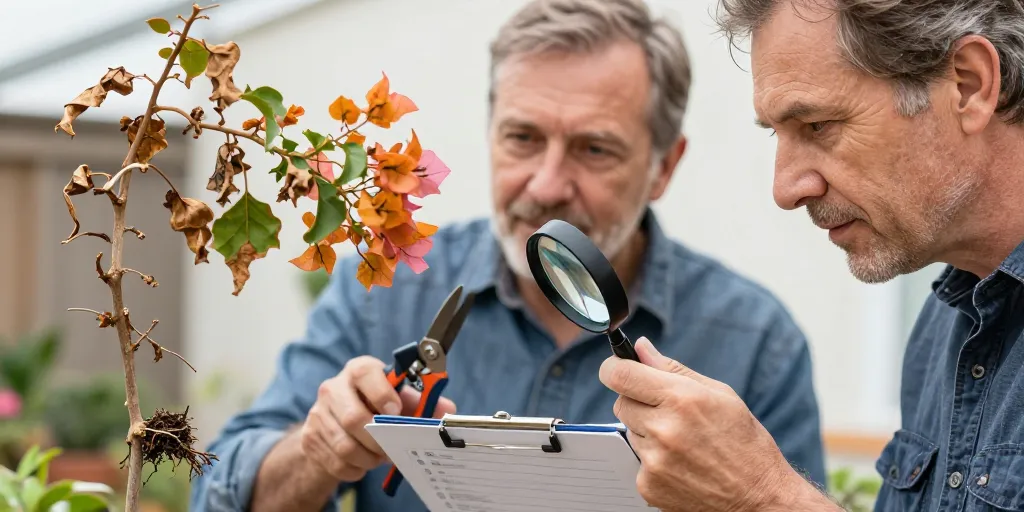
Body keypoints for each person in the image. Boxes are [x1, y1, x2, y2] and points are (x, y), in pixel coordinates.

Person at [188, 0, 828, 510]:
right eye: (522, 138)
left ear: (663, 167)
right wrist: (319, 449)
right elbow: (217, 495)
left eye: (594, 150)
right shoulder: (388, 288)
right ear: (491, 134)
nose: (546, 185)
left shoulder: (755, 343)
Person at [598, 0, 1024, 510]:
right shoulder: (943, 326)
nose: (785, 189)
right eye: (777, 134)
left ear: (969, 85)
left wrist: (764, 497)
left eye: (819, 125)